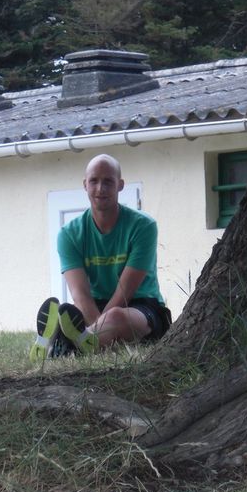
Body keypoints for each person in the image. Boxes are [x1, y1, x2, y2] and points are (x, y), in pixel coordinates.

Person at [30, 154, 171, 360]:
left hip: (140, 307)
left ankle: (60, 345)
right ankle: (76, 341)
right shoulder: (69, 234)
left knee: (115, 316)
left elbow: (124, 293)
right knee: (70, 310)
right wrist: (98, 329)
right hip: (92, 306)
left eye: (108, 181)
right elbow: (80, 294)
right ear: (85, 185)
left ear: (120, 185)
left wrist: (96, 329)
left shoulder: (143, 226)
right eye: (94, 181)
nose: (100, 188)